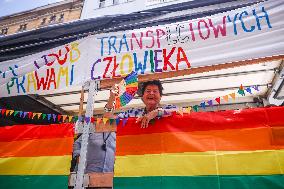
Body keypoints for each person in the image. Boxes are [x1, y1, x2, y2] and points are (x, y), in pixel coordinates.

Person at [72, 80, 176, 186]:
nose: (151, 93)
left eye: (155, 91)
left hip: (161, 162)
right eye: (148, 91)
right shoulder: (133, 113)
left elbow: (184, 113)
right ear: (142, 96)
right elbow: (108, 119)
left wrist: (157, 112)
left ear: (160, 96)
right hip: (136, 163)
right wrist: (112, 97)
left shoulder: (168, 109)